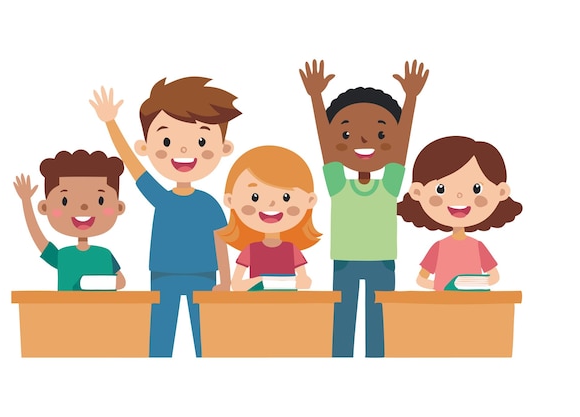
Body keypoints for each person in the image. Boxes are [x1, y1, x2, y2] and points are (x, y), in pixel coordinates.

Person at [89, 77, 241, 357]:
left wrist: (226, 281)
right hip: (163, 275)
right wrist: (111, 123)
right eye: (168, 140)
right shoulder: (162, 198)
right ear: (145, 146)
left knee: (208, 342)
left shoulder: (209, 205)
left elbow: (222, 240)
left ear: (224, 147)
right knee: (159, 340)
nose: (184, 150)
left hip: (204, 276)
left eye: (200, 140)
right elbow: (131, 165)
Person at [299, 58, 429, 357]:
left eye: (381, 134)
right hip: (344, 261)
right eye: (346, 134)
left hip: (383, 262)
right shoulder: (338, 186)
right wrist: (316, 98)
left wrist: (411, 99)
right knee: (341, 323)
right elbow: (326, 145)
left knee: (379, 325)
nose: (365, 140)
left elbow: (402, 146)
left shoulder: (389, 186)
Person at [398, 136, 522, 290]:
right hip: (441, 305)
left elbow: (494, 277)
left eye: (477, 189)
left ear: (501, 192)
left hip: (474, 304)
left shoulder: (477, 247)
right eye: (440, 189)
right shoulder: (438, 247)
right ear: (417, 192)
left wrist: (469, 284)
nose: (459, 196)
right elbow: (421, 279)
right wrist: (442, 287)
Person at [13, 149, 127, 291]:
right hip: (67, 312)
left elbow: (121, 282)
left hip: (104, 311)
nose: (83, 206)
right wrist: (26, 202)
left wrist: (92, 284)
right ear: (44, 207)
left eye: (100, 200)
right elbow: (39, 240)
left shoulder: (104, 255)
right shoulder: (64, 256)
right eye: (65, 201)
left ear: (119, 207)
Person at [217, 146, 321, 291]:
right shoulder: (250, 250)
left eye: (286, 197)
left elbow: (305, 282)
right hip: (256, 305)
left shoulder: (291, 250)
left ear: (310, 201)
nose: (271, 204)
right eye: (255, 197)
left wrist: (301, 281)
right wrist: (260, 281)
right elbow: (236, 285)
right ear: (230, 200)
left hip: (288, 304)